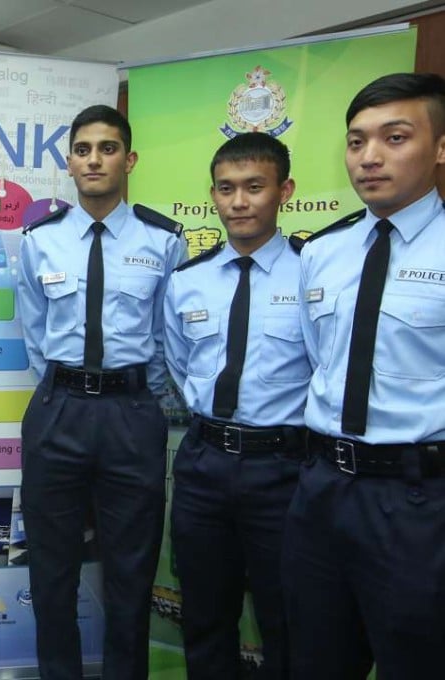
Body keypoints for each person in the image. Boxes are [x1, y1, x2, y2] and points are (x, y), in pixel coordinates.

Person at [283, 72, 445, 679]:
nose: (370, 157)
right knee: (317, 660)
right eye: (356, 142)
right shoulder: (324, 252)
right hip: (322, 490)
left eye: (395, 137)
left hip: (416, 501)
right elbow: (316, 359)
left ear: (440, 147)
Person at [16, 103, 186, 680]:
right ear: (69, 162)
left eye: (108, 148)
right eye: (83, 150)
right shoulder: (39, 241)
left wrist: (135, 392)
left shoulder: (163, 241)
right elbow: (34, 333)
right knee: (51, 571)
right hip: (57, 411)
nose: (95, 160)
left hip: (131, 414)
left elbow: (167, 337)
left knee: (131, 572)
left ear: (129, 159)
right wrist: (67, 387)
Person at [163, 132, 308, 679]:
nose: (239, 202)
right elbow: (178, 365)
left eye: (254, 187)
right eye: (226, 189)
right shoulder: (187, 281)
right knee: (204, 613)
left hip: (285, 467)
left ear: (284, 190)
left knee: (286, 617)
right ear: (213, 194)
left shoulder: (313, 272)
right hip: (205, 463)